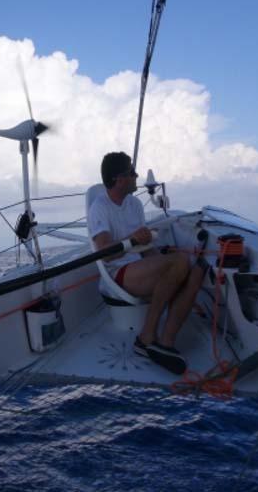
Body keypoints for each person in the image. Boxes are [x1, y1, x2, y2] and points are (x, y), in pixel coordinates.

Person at [88, 151, 206, 375]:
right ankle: (146, 337)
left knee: (195, 270)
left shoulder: (135, 205)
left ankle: (166, 344)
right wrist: (133, 240)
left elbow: (145, 248)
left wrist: (166, 262)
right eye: (132, 172)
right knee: (180, 262)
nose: (137, 175)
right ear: (119, 179)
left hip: (140, 267)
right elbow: (104, 252)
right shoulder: (99, 208)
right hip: (118, 272)